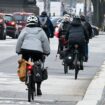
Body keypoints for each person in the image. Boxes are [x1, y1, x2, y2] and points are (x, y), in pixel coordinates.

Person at [16, 15, 50, 96]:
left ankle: (26, 79)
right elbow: (45, 42)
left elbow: (19, 41)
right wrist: (47, 52)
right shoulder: (40, 31)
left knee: (23, 64)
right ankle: (38, 88)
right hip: (37, 51)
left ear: (28, 22)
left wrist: (18, 50)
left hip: (25, 50)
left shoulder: (24, 30)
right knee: (39, 67)